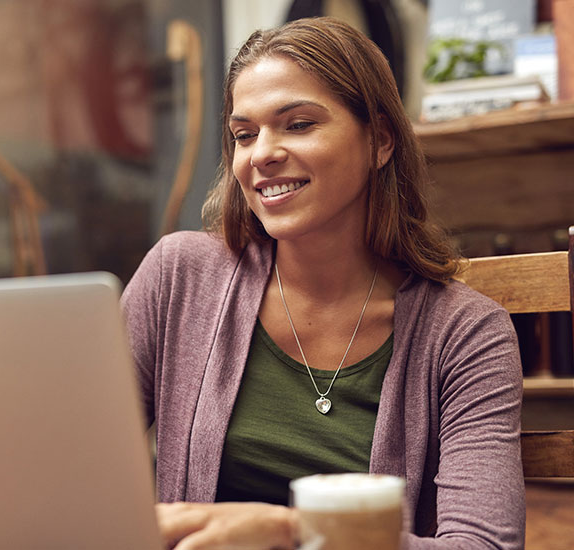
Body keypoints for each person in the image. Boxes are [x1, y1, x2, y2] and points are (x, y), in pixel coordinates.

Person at [121, 16, 524, 550]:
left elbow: (485, 547)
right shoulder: (179, 277)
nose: (261, 153)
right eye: (244, 134)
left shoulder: (465, 334)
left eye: (298, 124)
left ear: (380, 141)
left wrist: (293, 533)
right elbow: (74, 463)